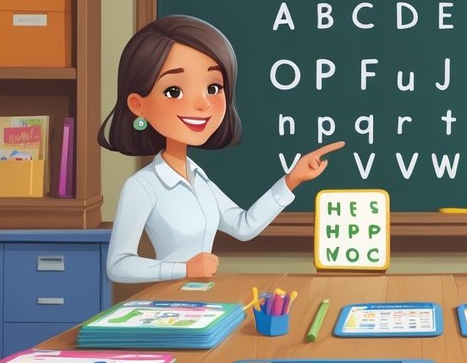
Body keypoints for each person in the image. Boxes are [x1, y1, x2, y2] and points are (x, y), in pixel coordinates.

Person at [99, 15, 344, 283]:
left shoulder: (199, 178)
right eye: (173, 91)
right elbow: (118, 265)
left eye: (213, 87)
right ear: (138, 104)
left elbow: (243, 226)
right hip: (167, 301)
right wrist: (184, 269)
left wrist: (292, 180)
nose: (203, 104)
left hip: (202, 298)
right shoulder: (143, 186)